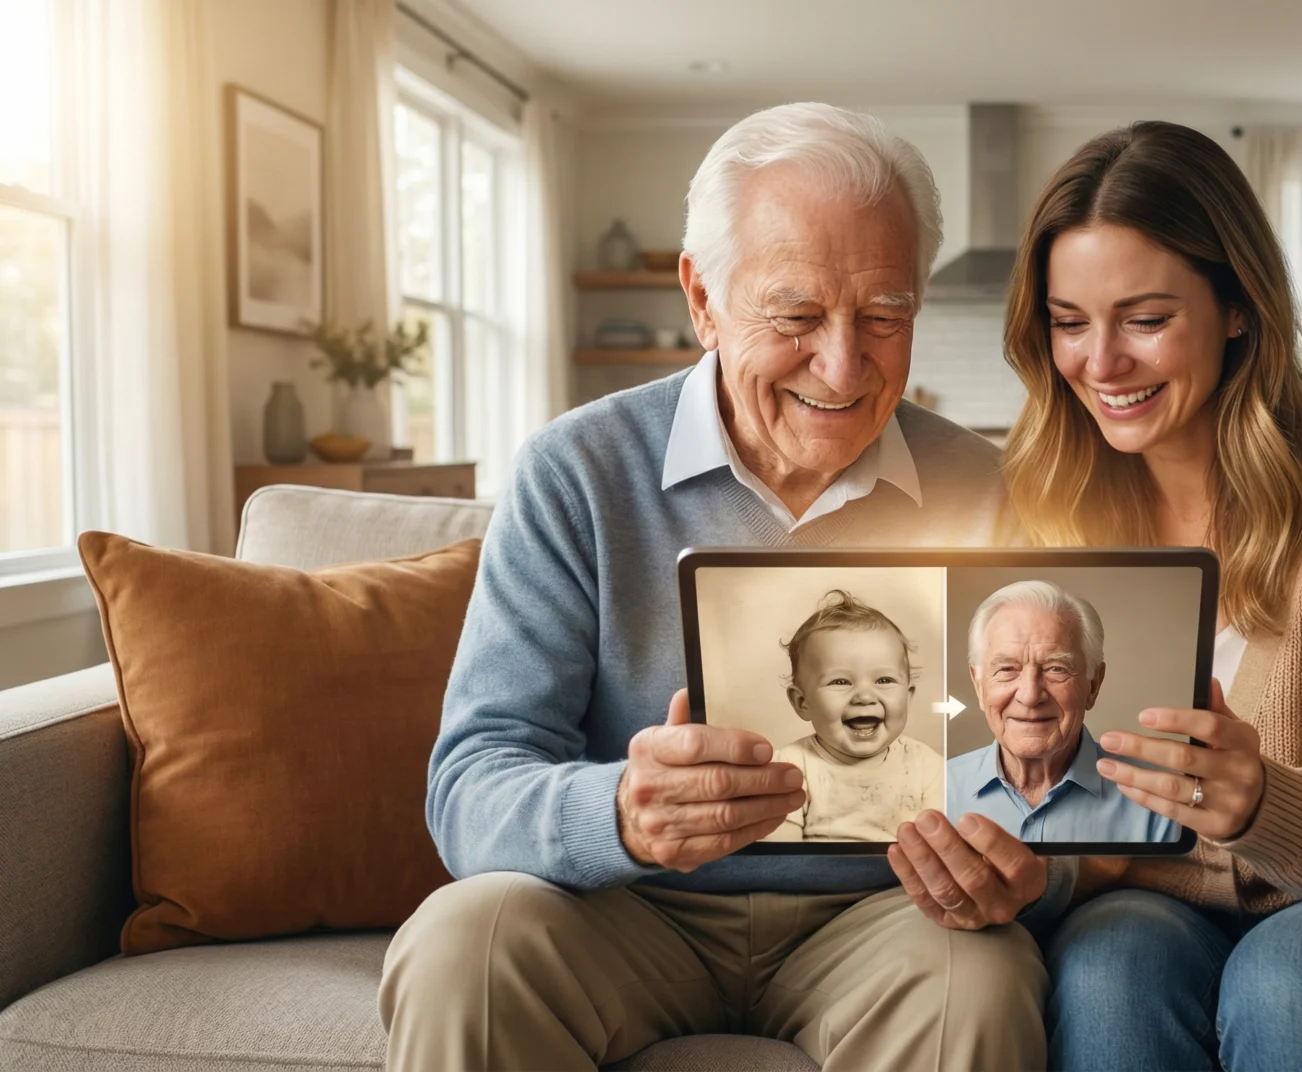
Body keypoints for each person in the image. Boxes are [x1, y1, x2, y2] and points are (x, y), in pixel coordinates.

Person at [378, 103, 1047, 1072]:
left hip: (885, 914)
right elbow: (472, 783)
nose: (843, 363)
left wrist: (1023, 871)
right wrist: (618, 812)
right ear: (702, 297)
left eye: (885, 317)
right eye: (797, 315)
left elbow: (1045, 785)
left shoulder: (989, 487)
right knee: (464, 947)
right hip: (619, 906)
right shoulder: (577, 469)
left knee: (979, 984)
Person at [887, 120, 1302, 1071]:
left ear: (1238, 308)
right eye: (1068, 321)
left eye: (1144, 319)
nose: (1100, 362)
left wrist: (1261, 800)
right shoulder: (1039, 494)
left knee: (1287, 983)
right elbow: (1055, 807)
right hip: (1155, 904)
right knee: (1104, 974)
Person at [946, 580, 1178, 843]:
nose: (1030, 695)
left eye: (1056, 668)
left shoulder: (1160, 803)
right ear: (979, 685)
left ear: (1093, 685)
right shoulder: (932, 792)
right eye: (1007, 669)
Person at [765, 589, 943, 842]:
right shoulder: (792, 767)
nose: (864, 696)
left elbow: (945, 845)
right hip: (816, 879)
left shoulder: (928, 767)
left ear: (908, 695)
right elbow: (781, 857)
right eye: (840, 681)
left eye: (884, 680)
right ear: (802, 702)